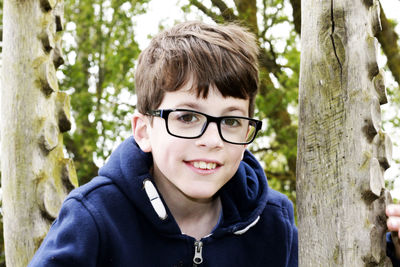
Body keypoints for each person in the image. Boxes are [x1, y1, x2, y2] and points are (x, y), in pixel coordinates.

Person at [28, 21, 298, 266]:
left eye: (231, 121)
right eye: (188, 117)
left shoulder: (274, 222)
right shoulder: (94, 217)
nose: (212, 140)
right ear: (144, 131)